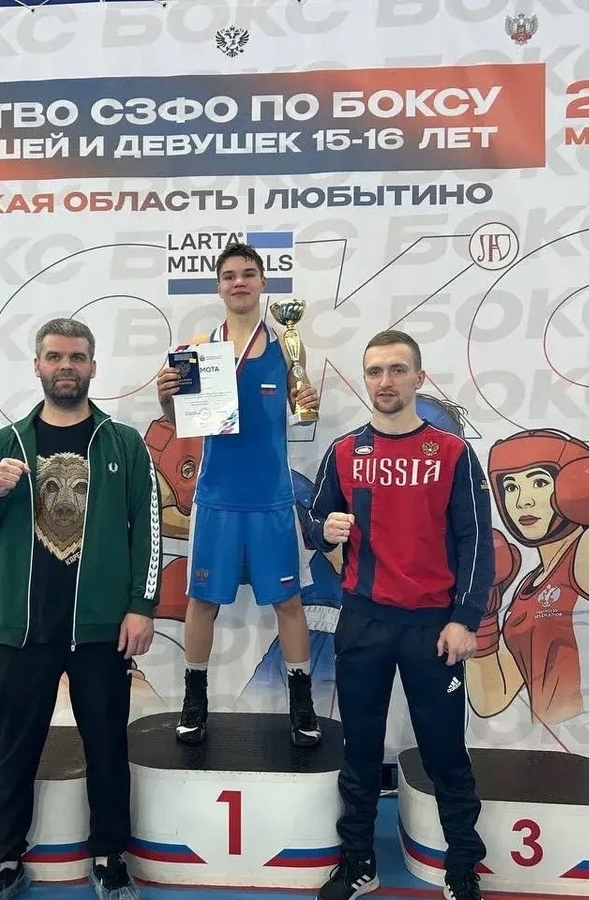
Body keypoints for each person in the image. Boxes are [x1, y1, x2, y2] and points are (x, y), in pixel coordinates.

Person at [0, 318, 161, 900]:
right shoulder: (6, 444)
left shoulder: (123, 443)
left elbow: (147, 528)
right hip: (24, 627)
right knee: (14, 749)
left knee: (107, 747)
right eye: (54, 356)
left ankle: (110, 856)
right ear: (38, 366)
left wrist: (141, 606)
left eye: (76, 357)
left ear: (92, 366)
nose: (65, 366)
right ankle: (2, 861)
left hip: (101, 629)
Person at [305, 330, 494, 900]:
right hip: (363, 622)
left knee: (445, 751)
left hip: (434, 626)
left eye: (396, 369)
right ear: (365, 380)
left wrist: (465, 618)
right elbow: (315, 525)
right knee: (360, 750)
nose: (384, 381)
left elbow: (476, 541)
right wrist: (325, 528)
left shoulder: (453, 453)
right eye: (374, 371)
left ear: (418, 378)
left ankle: (463, 864)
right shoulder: (344, 451)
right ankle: (358, 861)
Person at [155, 241, 322, 748]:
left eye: (248, 273)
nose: (239, 282)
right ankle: (194, 700)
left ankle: (302, 704)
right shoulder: (199, 348)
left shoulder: (287, 346)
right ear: (219, 286)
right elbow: (179, 421)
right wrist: (166, 396)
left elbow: (300, 413)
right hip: (217, 499)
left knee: (288, 602)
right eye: (229, 275)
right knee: (202, 601)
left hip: (271, 498)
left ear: (263, 282)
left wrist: (307, 400)